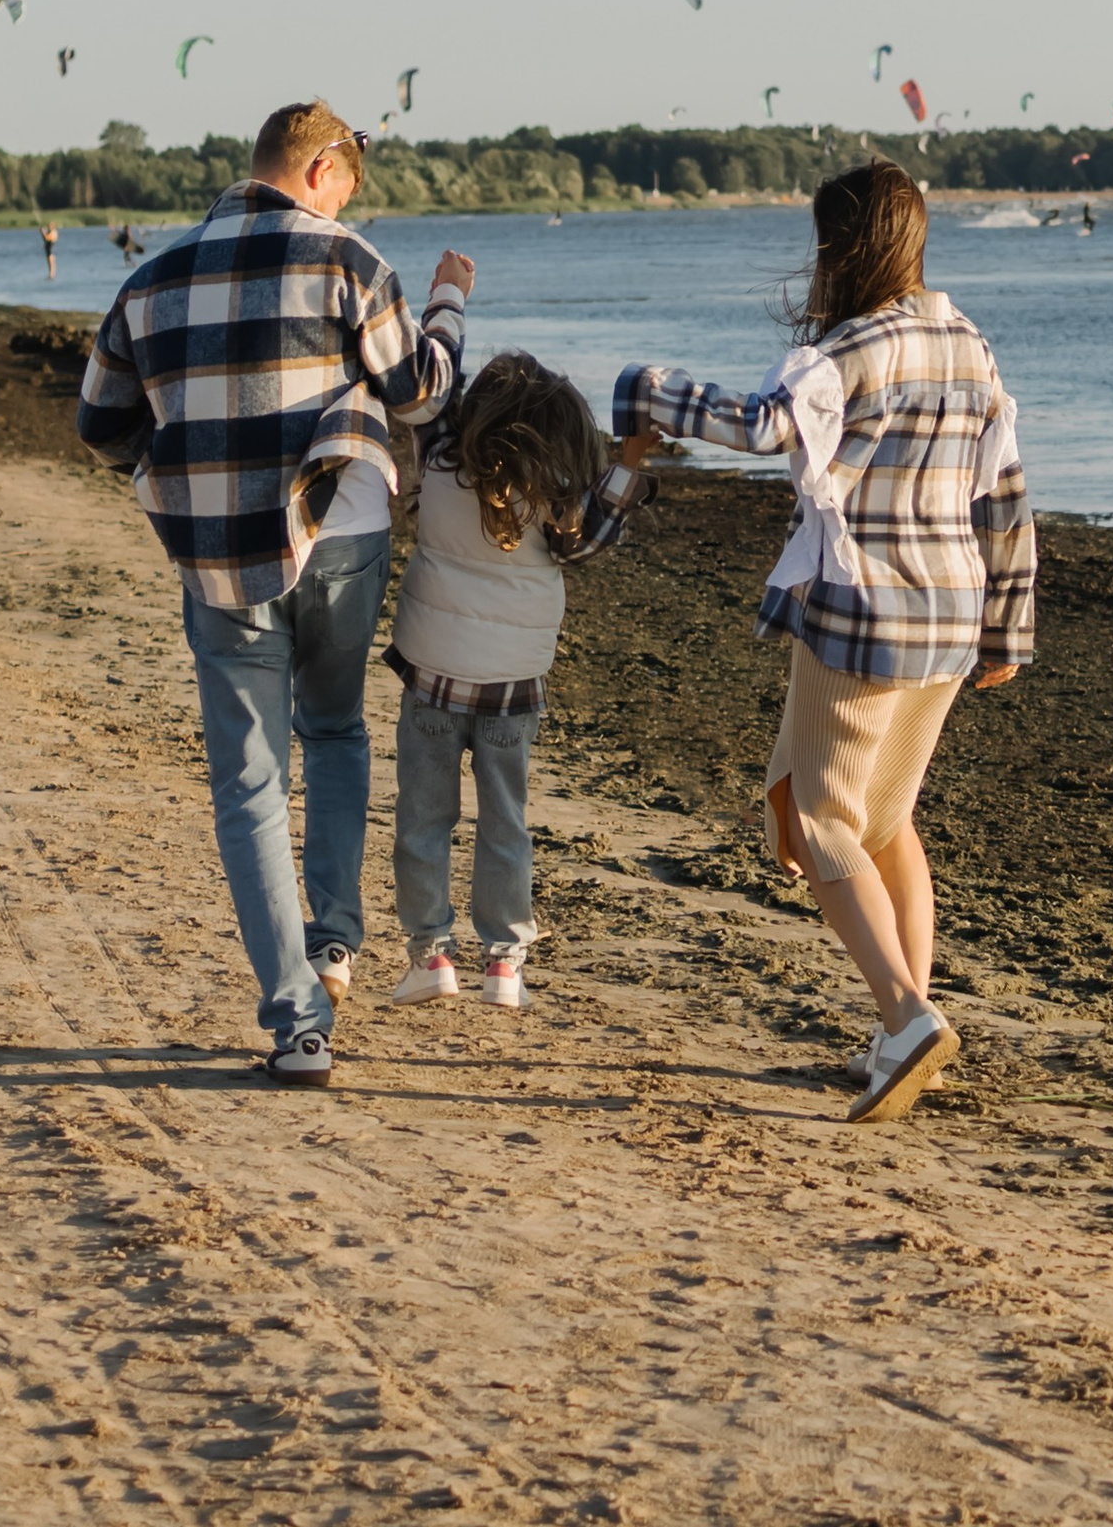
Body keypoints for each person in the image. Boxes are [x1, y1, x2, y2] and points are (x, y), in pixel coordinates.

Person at [617, 160, 1035, 1125]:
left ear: (841, 248)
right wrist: (1011, 622)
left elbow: (764, 428)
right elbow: (1006, 492)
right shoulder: (968, 341)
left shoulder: (852, 349)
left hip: (863, 617)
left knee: (821, 824)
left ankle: (904, 1015)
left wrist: (653, 390)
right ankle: (901, 1027)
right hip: (953, 617)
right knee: (885, 824)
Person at [76, 99, 471, 1083]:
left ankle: (298, 1026)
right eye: (347, 187)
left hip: (219, 560)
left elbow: (98, 420)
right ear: (321, 168)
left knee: (250, 785)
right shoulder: (347, 260)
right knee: (334, 731)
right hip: (342, 540)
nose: (345, 204)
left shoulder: (149, 278)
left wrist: (179, 474)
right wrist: (450, 308)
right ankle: (333, 941)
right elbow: (421, 392)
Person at [384, 354, 652, 1011]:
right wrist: (631, 460)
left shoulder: (442, 463)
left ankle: (431, 955)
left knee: (423, 820)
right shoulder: (555, 501)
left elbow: (429, 391)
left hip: (433, 679)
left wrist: (451, 301)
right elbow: (599, 533)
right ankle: (504, 965)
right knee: (506, 823)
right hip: (512, 687)